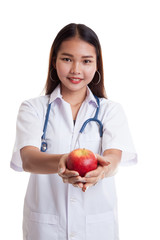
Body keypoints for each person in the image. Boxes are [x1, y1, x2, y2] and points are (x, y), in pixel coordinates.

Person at [10, 23, 137, 240]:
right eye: (67, 59)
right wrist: (64, 160)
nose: (76, 69)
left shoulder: (110, 111)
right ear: (54, 61)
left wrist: (103, 171)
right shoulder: (33, 109)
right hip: (46, 229)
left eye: (86, 61)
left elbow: (114, 158)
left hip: (97, 229)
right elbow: (29, 159)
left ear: (97, 65)